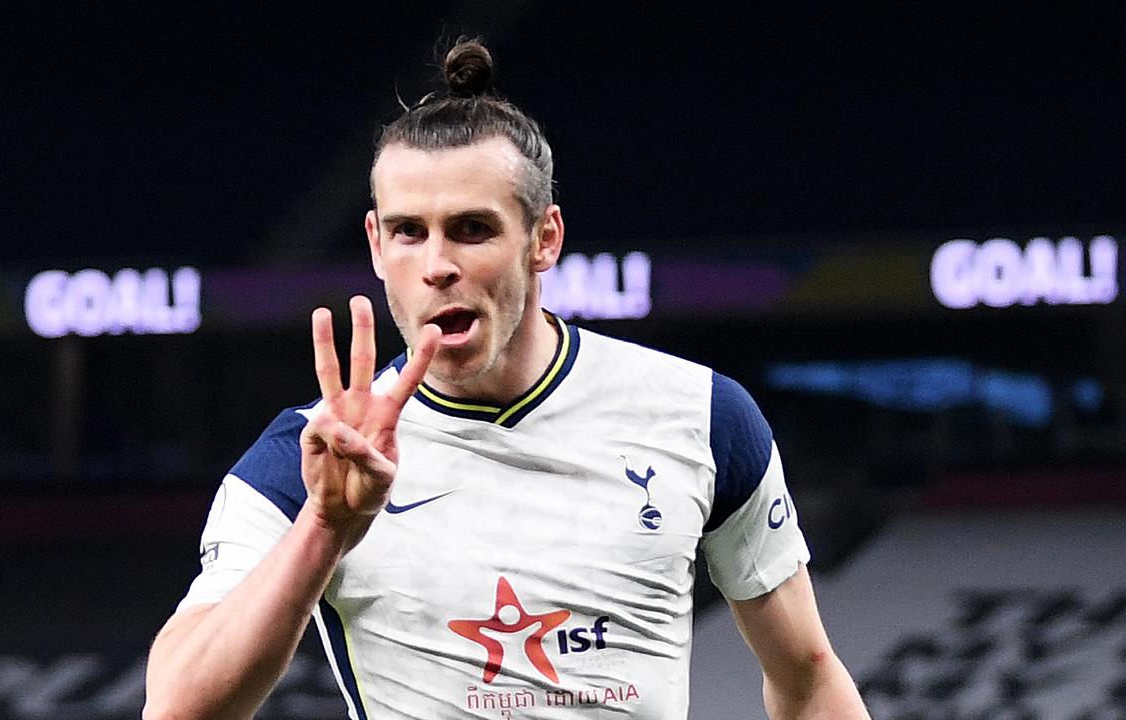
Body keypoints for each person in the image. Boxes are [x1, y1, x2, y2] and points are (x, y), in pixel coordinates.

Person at [143, 39, 871, 720]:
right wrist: (327, 527)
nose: (436, 264)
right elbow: (177, 706)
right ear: (374, 243)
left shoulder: (703, 417)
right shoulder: (311, 459)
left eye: (472, 229)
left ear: (544, 238)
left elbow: (807, 676)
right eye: (408, 232)